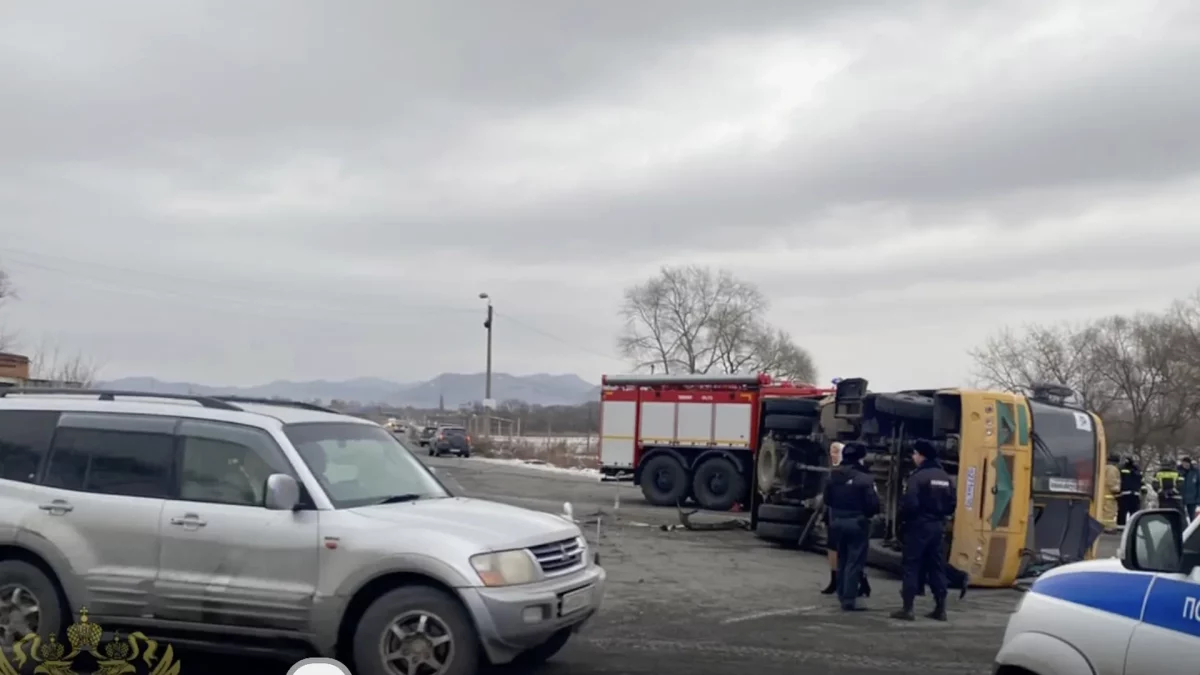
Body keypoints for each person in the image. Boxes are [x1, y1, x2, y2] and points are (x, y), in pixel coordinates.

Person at [891, 440, 956, 622]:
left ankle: (908, 608)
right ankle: (940, 608)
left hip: (918, 526)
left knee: (911, 565)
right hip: (937, 527)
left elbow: (909, 503)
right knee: (936, 566)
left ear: (921, 456)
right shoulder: (945, 477)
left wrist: (903, 521)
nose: (913, 457)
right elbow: (952, 504)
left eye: (914, 454)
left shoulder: (917, 477)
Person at [823, 442, 879, 612]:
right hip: (857, 522)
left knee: (841, 558)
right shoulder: (865, 478)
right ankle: (849, 599)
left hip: (837, 520)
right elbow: (873, 504)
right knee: (854, 561)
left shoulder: (833, 476)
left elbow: (827, 499)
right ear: (860, 458)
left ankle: (841, 593)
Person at [1117, 456, 1142, 527]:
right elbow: (1141, 481)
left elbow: (1119, 480)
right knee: (1133, 513)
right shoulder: (1137, 470)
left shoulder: (1121, 469)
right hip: (1134, 494)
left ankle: (1121, 526)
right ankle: (1134, 526)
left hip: (1125, 494)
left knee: (1122, 512)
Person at [1101, 453, 1120, 533]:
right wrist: (1116, 490)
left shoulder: (1104, 467)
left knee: (1104, 512)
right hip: (1109, 495)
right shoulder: (1112, 469)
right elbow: (1111, 481)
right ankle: (1108, 528)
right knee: (1109, 513)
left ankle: (1103, 526)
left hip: (1104, 494)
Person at [1180, 456, 1199, 523]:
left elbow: (1198, 486)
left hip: (1192, 499)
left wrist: (1198, 498)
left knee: (1192, 518)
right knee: (1181, 517)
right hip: (1180, 498)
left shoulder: (1195, 472)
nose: (1186, 465)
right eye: (1184, 463)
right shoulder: (1178, 472)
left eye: (1187, 464)